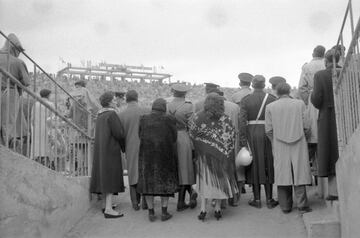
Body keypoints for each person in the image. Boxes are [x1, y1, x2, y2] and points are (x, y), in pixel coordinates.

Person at [189, 93, 238, 221]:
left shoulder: (198, 116)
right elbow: (232, 136)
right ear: (221, 104)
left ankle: (203, 209)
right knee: (218, 182)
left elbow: (192, 134)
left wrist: (201, 146)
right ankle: (217, 209)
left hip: (204, 156)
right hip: (220, 156)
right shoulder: (226, 119)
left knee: (205, 181)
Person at [265, 82, 312, 214]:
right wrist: (305, 138)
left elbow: (268, 129)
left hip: (279, 143)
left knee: (282, 173)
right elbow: (307, 125)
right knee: (299, 172)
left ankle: (285, 206)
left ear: (276, 92)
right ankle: (302, 205)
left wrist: (274, 141)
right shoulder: (300, 104)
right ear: (289, 91)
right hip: (299, 141)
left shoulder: (270, 107)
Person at [239, 75, 278, 209]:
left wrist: (243, 141)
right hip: (267, 132)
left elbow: (242, 122)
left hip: (251, 133)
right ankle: (270, 199)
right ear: (264, 84)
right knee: (268, 163)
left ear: (252, 84)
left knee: (254, 166)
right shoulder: (272, 98)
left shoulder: (246, 100)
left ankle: (256, 199)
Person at [137, 98, 179, 222]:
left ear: (153, 107)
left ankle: (151, 212)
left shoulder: (143, 118)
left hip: (147, 156)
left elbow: (139, 135)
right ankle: (164, 213)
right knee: (165, 183)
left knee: (148, 183)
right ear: (164, 107)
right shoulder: (170, 119)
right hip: (165, 155)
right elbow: (174, 137)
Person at [310, 49, 341, 201]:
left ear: (325, 61)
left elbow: (316, 100)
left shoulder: (320, 75)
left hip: (327, 117)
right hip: (345, 115)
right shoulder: (348, 72)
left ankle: (334, 191)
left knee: (329, 152)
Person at [90, 91, 126, 219]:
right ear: (110, 101)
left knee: (104, 176)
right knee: (110, 177)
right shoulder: (111, 114)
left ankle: (105, 205)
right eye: (113, 99)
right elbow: (119, 134)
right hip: (111, 149)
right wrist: (124, 147)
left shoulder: (100, 115)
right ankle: (109, 210)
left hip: (101, 150)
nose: (115, 100)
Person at [298, 45, 326, 189]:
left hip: (312, 100)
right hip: (327, 99)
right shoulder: (326, 63)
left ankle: (308, 175)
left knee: (311, 139)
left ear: (313, 53)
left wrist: (308, 101)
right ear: (324, 54)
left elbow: (302, 88)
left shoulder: (307, 67)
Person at [167, 83, 197, 211]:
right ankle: (181, 201)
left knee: (176, 169)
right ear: (185, 93)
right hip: (183, 137)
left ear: (173, 92)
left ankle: (188, 194)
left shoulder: (167, 105)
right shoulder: (188, 106)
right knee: (185, 169)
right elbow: (192, 126)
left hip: (170, 138)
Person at [118, 90, 149, 211]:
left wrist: (123, 148)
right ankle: (146, 202)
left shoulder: (121, 114)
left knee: (132, 174)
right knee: (144, 173)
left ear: (126, 99)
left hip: (130, 146)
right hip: (146, 146)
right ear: (137, 98)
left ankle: (135, 203)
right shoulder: (146, 110)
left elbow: (120, 135)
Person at [0, 33, 30, 147]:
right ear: (14, 48)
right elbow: (26, 82)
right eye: (19, 50)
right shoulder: (17, 62)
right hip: (10, 92)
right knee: (8, 121)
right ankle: (8, 142)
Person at [230, 72, 253, 195]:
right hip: (253, 128)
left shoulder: (235, 96)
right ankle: (250, 181)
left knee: (239, 156)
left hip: (239, 129)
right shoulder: (252, 94)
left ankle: (240, 183)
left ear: (240, 82)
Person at [31, 89, 55, 168]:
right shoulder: (51, 104)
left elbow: (32, 119)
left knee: (37, 148)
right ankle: (48, 166)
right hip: (47, 129)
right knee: (47, 148)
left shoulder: (36, 104)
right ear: (48, 95)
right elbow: (52, 118)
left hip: (37, 130)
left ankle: (37, 164)